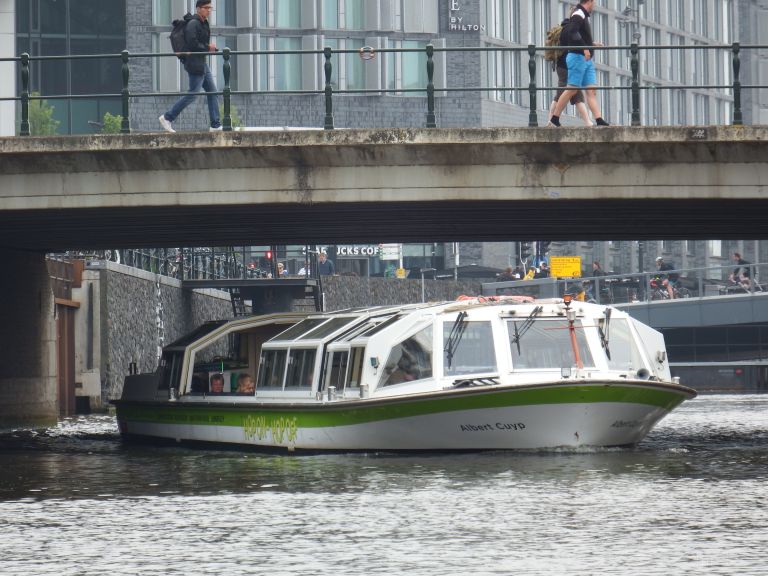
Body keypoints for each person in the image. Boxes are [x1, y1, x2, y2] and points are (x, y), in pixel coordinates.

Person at [158, 0, 222, 133]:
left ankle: (215, 125)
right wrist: (208, 47)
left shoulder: (203, 23)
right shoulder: (193, 24)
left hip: (201, 62)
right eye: (206, 8)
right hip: (194, 63)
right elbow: (192, 44)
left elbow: (200, 42)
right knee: (192, 94)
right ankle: (167, 117)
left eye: (210, 8)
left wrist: (207, 48)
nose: (209, 10)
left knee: (213, 92)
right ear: (198, 9)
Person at [548, 0, 609, 128]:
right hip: (577, 57)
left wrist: (591, 45)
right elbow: (573, 32)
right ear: (590, 1)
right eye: (594, 2)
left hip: (585, 59)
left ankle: (599, 119)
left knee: (591, 90)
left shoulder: (582, 14)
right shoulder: (579, 13)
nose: (595, 5)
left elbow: (577, 36)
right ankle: (555, 117)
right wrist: (585, 48)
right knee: (571, 89)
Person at [548, 21, 592, 127]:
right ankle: (587, 122)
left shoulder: (561, 32)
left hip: (560, 66)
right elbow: (577, 45)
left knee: (564, 94)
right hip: (568, 67)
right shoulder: (571, 31)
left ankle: (550, 120)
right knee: (574, 95)